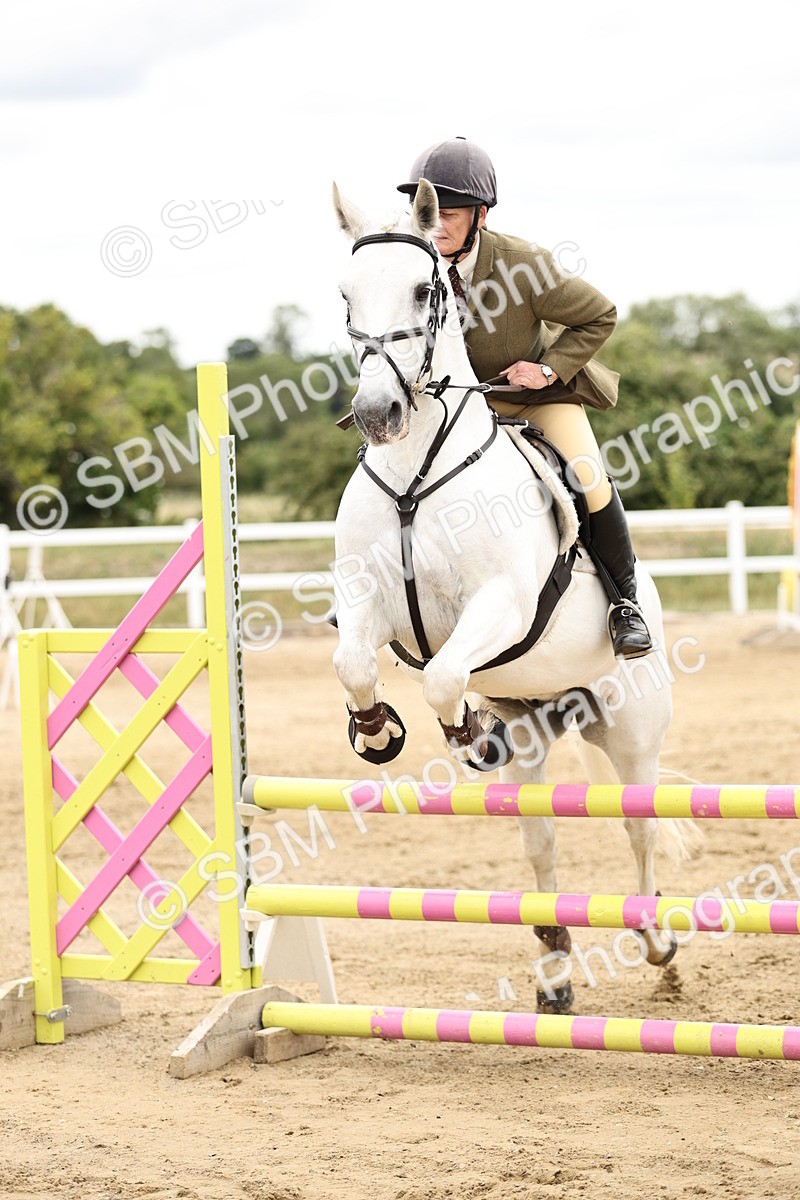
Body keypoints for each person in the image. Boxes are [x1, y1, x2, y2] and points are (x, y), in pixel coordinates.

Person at [397, 136, 652, 659]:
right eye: (429, 210)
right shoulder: (406, 262)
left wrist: (547, 367)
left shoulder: (522, 263)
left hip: (531, 398)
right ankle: (378, 588)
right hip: (452, 407)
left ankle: (625, 604)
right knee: (389, 469)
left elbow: (599, 313)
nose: (438, 223)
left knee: (587, 474)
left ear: (481, 215)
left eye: (453, 211)